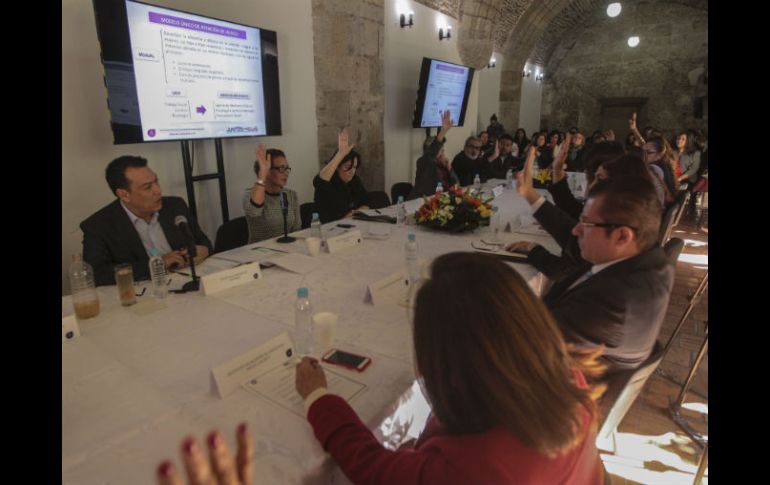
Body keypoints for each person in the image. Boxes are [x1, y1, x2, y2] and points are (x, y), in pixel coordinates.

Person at [294, 252, 607, 485]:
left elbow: (371, 468)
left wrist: (318, 398)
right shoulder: (569, 381)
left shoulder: (472, 469)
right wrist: (420, 456)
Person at [513, 153, 673, 372]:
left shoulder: (613, 303)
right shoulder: (638, 258)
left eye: (586, 224)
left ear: (622, 236)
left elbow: (527, 340)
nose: (576, 230)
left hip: (556, 380)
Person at [81, 155, 212, 286]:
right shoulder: (98, 226)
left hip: (188, 282)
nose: (158, 191)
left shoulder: (175, 206)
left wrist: (204, 250)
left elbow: (203, 241)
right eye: (148, 187)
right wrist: (158, 264)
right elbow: (97, 274)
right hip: (144, 291)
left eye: (156, 182)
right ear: (124, 195)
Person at [242, 144, 300, 243]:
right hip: (262, 250)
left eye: (287, 168)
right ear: (267, 171)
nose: (286, 173)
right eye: (281, 169)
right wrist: (262, 174)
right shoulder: (249, 194)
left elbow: (297, 230)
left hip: (287, 249)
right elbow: (254, 211)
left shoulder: (291, 194)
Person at [313, 128, 369, 222]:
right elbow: (319, 182)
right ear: (337, 166)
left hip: (351, 225)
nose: (352, 171)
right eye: (347, 167)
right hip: (328, 227)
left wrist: (361, 210)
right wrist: (340, 154)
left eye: (354, 167)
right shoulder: (329, 181)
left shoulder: (355, 180)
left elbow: (366, 200)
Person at [409, 110, 459, 198]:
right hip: (423, 200)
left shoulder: (442, 164)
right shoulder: (423, 162)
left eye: (443, 150)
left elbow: (456, 184)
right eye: (441, 150)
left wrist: (449, 168)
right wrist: (443, 132)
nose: (443, 152)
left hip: (443, 199)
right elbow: (432, 152)